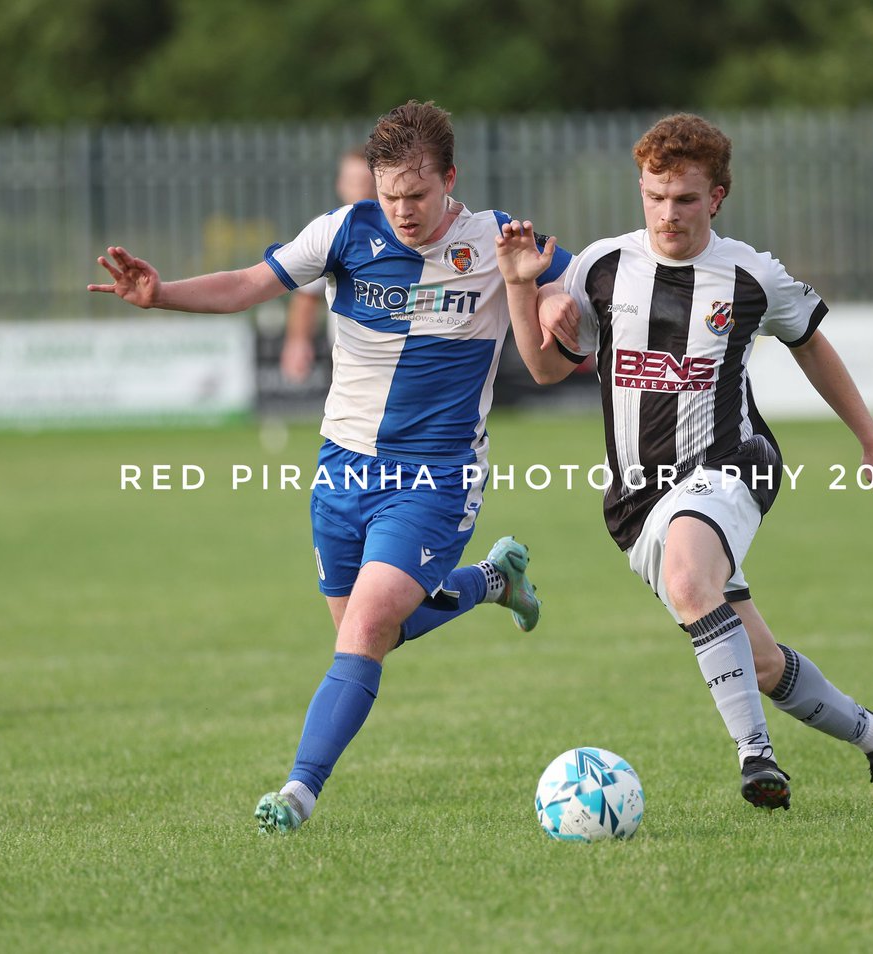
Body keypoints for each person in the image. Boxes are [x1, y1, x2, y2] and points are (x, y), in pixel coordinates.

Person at [89, 100, 572, 832]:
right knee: (371, 633)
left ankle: (297, 792)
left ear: (450, 178)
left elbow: (570, 290)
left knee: (369, 624)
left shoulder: (498, 240)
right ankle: (493, 581)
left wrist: (552, 303)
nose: (402, 211)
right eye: (390, 196)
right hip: (342, 471)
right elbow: (251, 284)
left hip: (435, 477)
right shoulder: (346, 230)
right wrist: (163, 296)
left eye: (417, 195)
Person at [494, 112, 873, 812]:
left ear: (716, 196)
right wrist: (519, 286)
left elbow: (812, 343)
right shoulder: (603, 267)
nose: (669, 214)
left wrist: (871, 441)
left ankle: (756, 759)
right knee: (759, 661)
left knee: (692, 579)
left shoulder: (751, 276)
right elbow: (543, 368)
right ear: (640, 190)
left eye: (686, 199)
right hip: (637, 502)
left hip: (733, 464)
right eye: (656, 197)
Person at [280, 147, 378, 383]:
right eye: (352, 181)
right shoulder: (328, 231)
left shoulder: (404, 227)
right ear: (340, 185)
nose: (360, 188)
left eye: (365, 181)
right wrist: (298, 341)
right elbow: (306, 293)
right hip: (349, 357)